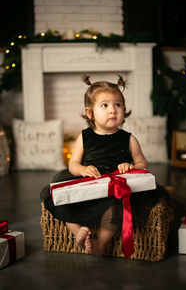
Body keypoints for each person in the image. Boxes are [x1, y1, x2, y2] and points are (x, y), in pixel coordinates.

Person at [42, 74, 147, 256]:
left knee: (117, 208)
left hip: (114, 188)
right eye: (104, 105)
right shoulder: (84, 137)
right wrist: (82, 169)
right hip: (87, 183)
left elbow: (142, 164)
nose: (112, 110)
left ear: (124, 109)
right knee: (58, 197)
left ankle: (101, 243)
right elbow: (73, 164)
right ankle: (78, 232)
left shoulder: (128, 139)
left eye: (118, 105)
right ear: (90, 112)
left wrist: (130, 167)